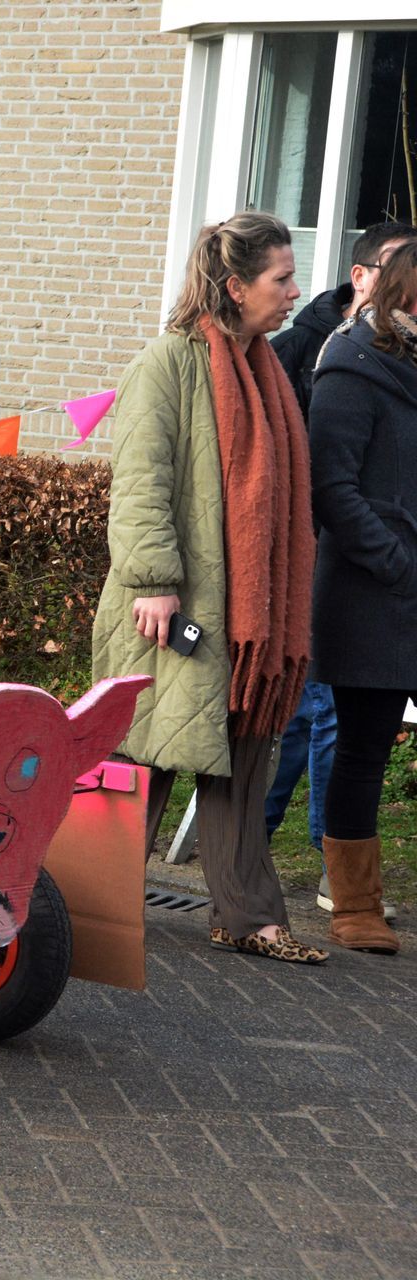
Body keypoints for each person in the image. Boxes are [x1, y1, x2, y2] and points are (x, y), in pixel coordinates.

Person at [92, 211, 325, 964]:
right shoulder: (167, 363)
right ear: (235, 286)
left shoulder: (263, 370)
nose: (295, 292)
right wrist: (154, 581)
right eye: (282, 277)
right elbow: (140, 483)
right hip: (173, 603)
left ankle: (248, 915)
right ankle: (88, 901)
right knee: (149, 754)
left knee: (241, 753)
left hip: (244, 614)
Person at [269, 221, 415, 915]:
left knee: (353, 745)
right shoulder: (350, 361)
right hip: (372, 594)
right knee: (360, 748)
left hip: (399, 587)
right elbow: (333, 488)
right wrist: (397, 562)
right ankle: (353, 907)